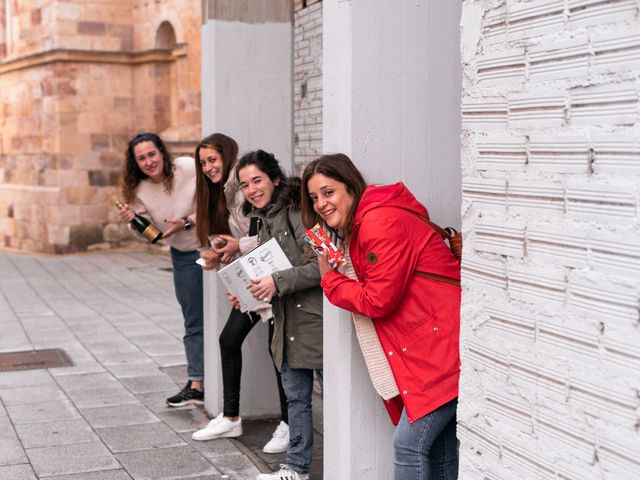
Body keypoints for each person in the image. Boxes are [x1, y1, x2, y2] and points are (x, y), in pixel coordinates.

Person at [301, 154, 460, 480]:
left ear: (351, 187)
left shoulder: (377, 222)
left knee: (408, 446)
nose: (320, 203)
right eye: (314, 197)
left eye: (328, 192)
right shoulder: (362, 226)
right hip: (434, 344)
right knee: (440, 449)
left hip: (440, 348)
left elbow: (378, 300)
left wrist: (330, 279)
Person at [189, 134, 289, 454]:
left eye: (213, 159)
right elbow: (246, 240)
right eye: (203, 162)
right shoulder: (221, 194)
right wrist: (218, 254)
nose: (208, 167)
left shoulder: (242, 186)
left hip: (277, 277)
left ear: (227, 156)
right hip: (254, 277)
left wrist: (237, 247)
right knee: (229, 339)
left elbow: (268, 237)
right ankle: (231, 416)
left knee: (279, 351)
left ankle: (288, 423)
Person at [236, 150, 323, 480]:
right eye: (245, 185)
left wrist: (276, 281)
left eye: (257, 180)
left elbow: (320, 266)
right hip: (285, 320)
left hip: (314, 319)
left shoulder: (297, 213)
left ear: (275, 178)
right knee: (297, 400)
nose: (252, 190)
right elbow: (272, 268)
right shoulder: (264, 219)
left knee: (334, 394)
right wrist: (247, 289)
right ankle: (296, 469)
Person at [119, 132, 204, 407]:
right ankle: (197, 383)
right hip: (183, 256)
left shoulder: (188, 168)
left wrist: (187, 222)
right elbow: (155, 235)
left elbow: (217, 201)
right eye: (141, 158)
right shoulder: (138, 191)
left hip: (215, 246)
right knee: (193, 319)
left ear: (162, 152)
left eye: (152, 154)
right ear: (135, 163)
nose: (148, 161)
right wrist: (135, 222)